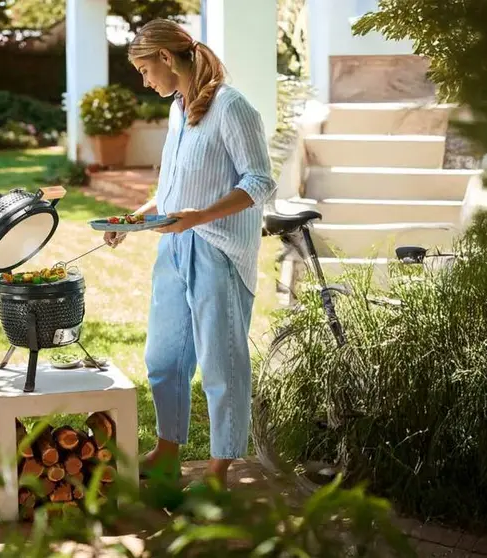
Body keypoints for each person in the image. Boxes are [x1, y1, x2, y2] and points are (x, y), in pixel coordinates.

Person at [103, 19, 275, 489]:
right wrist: (134, 218)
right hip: (175, 246)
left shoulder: (231, 107)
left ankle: (219, 472)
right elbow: (175, 190)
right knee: (163, 358)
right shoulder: (179, 108)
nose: (144, 81)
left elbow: (260, 182)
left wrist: (200, 217)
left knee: (221, 364)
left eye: (144, 70)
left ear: (166, 58)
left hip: (219, 250)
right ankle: (167, 450)